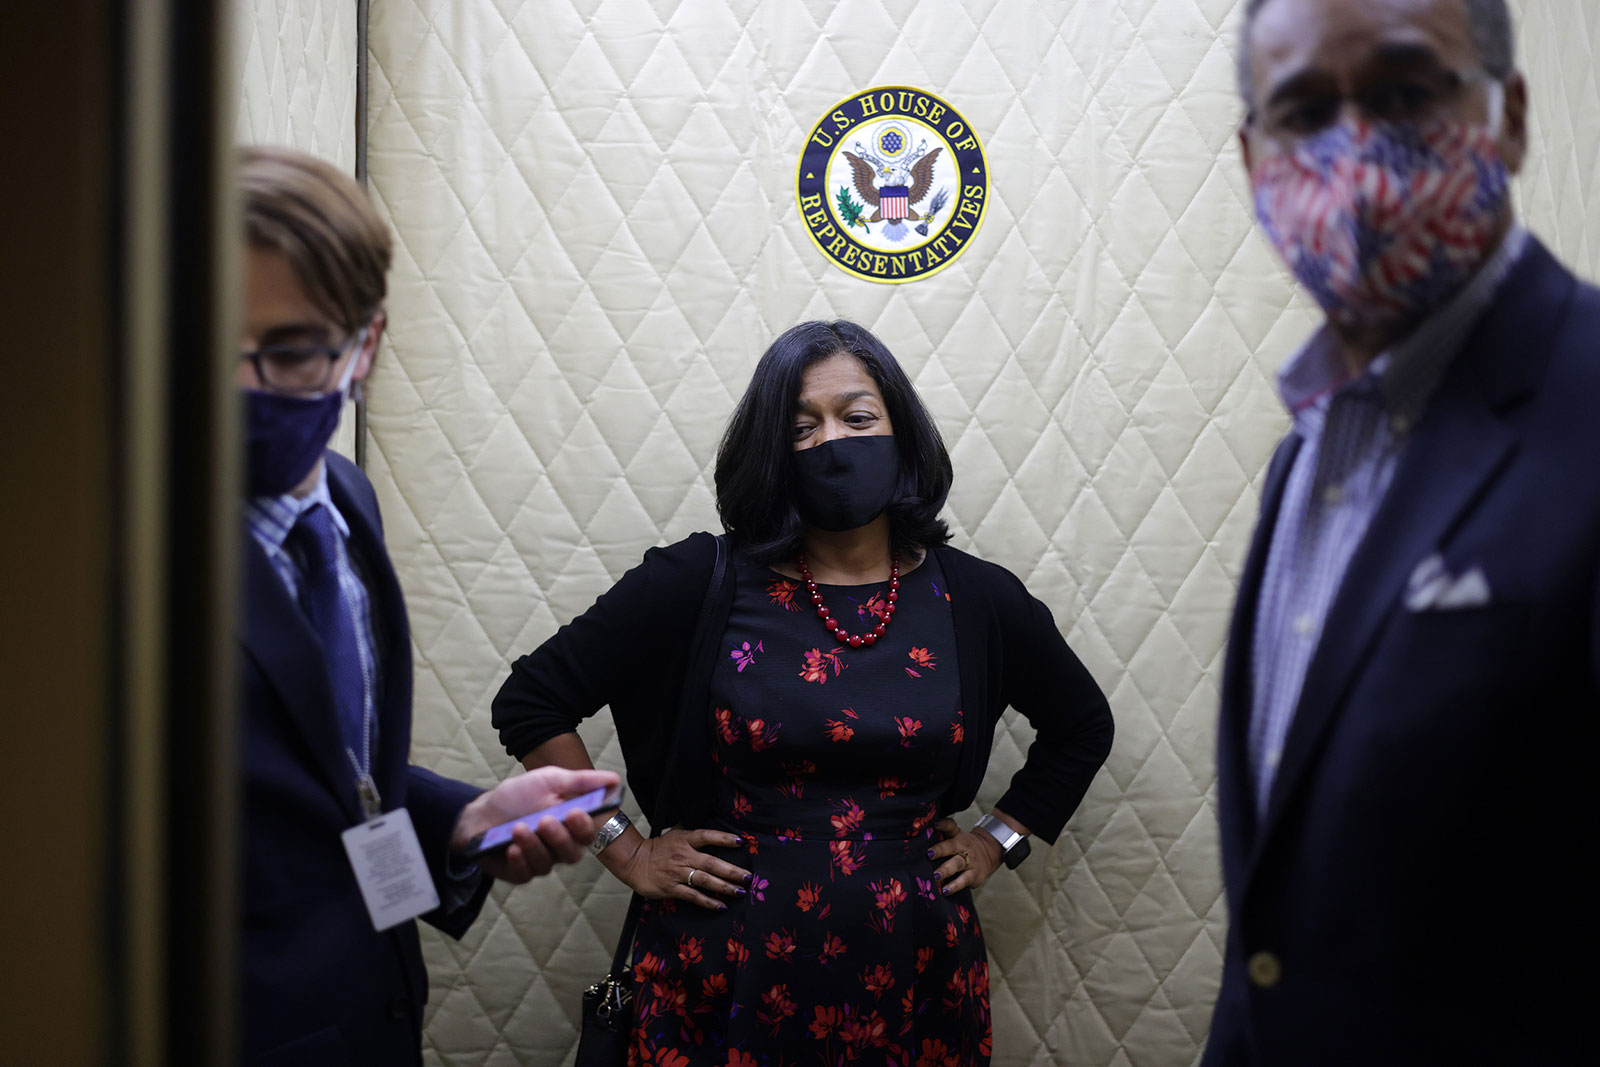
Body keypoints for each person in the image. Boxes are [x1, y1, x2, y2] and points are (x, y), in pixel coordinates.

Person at [492, 320, 1113, 1065]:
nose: (833, 442)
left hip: (917, 972)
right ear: (770, 451)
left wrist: (996, 839)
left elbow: (1081, 725)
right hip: (718, 970)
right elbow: (530, 701)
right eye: (801, 427)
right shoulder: (696, 580)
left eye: (857, 417)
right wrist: (625, 850)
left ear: (902, 433)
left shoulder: (976, 597)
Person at [1208, 1, 1600, 1063]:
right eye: (1301, 111)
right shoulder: (1307, 450)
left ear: (1509, 115)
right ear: (1253, 159)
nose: (1354, 150)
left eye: (1405, 92)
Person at [236, 145, 618, 1067]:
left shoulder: (345, 499)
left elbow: (319, 769)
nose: (240, 383)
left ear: (362, 347)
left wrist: (463, 815)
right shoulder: (92, 547)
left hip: (372, 1015)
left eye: (288, 352)